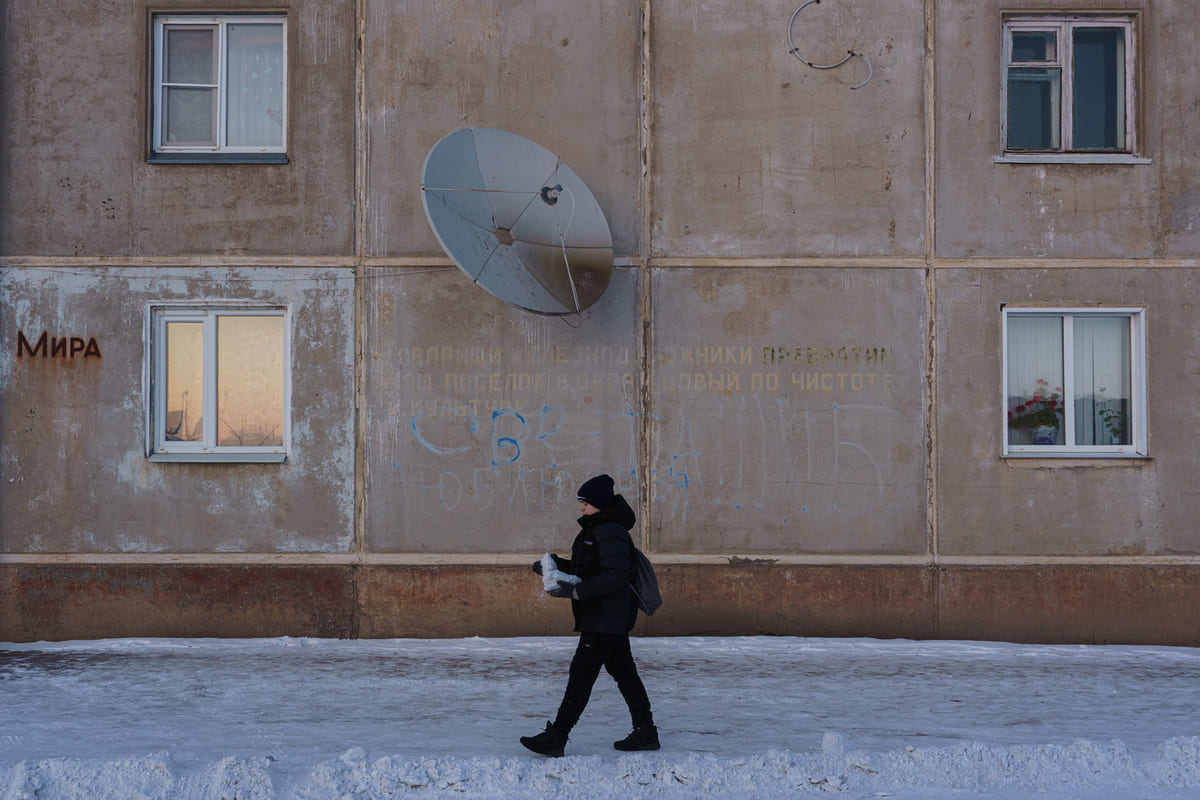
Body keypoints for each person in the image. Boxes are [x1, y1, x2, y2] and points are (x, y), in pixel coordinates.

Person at [520, 474, 659, 757]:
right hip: (606, 616)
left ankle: (557, 736)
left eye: (585, 502)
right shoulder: (598, 529)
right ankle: (646, 731)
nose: (581, 507)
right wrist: (553, 566)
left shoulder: (611, 532)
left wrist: (578, 591)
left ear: (600, 504)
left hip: (606, 616)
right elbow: (587, 567)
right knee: (625, 673)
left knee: (581, 674)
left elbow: (615, 576)